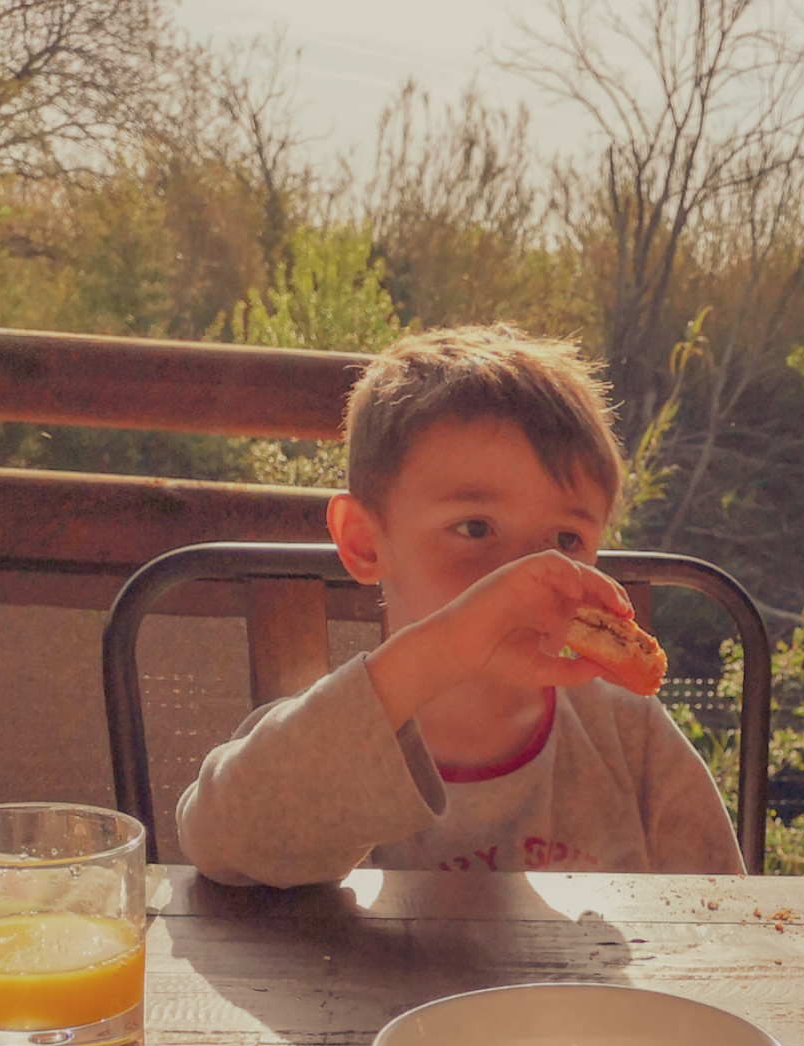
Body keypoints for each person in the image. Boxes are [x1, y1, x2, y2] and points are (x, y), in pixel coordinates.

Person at [176, 327, 744, 887]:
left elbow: (732, 913)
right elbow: (220, 843)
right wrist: (442, 653)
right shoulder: (325, 741)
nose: (524, 577)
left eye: (565, 540)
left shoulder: (626, 736)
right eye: (475, 528)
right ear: (365, 542)